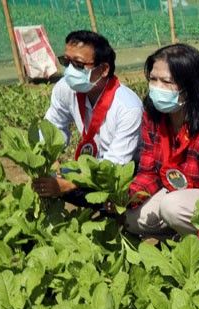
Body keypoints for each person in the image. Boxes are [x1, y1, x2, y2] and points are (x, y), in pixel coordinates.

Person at [125, 43, 199, 262]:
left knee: (172, 207)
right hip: (177, 192)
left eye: (167, 82)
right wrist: (127, 198)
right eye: (153, 79)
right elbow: (148, 172)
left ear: (190, 88)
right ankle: (183, 236)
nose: (156, 87)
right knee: (131, 218)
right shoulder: (154, 118)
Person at [34, 30, 142, 205]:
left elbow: (116, 164)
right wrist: (49, 158)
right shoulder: (65, 88)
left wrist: (69, 184)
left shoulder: (128, 107)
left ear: (104, 69)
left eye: (78, 64)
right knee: (49, 181)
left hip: (127, 170)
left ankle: (114, 212)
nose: (69, 70)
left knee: (116, 196)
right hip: (92, 164)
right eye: (66, 62)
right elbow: (52, 127)